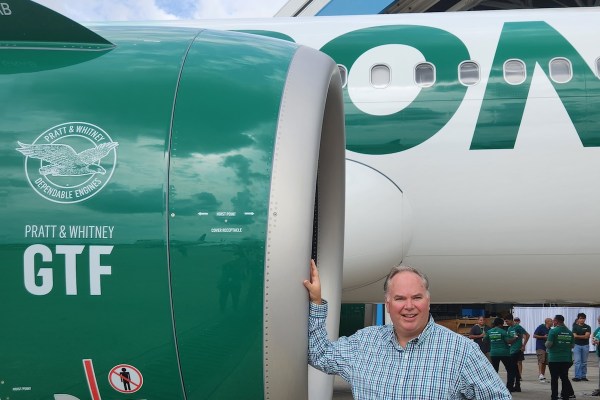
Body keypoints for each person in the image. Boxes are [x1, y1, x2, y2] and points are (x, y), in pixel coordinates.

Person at [304, 260, 511, 399]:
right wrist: (316, 301)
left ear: (428, 302)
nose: (409, 306)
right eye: (400, 298)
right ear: (388, 304)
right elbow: (319, 353)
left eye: (417, 297)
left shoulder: (462, 352)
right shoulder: (364, 343)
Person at [485, 317, 518, 392]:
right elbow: (508, 341)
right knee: (510, 370)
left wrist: (492, 343)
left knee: (494, 371)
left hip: (493, 353)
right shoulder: (503, 331)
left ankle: (494, 387)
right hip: (504, 353)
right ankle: (509, 387)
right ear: (500, 324)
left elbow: (485, 339)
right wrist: (515, 338)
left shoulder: (489, 331)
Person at [546, 314, 575, 400]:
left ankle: (554, 396)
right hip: (566, 358)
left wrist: (546, 343)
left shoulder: (553, 331)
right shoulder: (569, 332)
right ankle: (565, 396)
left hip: (554, 358)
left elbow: (549, 344)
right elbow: (572, 345)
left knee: (554, 379)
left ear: (556, 321)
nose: (553, 322)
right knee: (564, 378)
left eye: (554, 321)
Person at [508, 316, 530, 381]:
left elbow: (526, 335)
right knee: (513, 363)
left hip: (518, 348)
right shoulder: (509, 328)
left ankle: (519, 375)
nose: (516, 322)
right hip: (512, 348)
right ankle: (516, 376)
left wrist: (524, 345)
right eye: (516, 320)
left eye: (518, 320)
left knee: (519, 362)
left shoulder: (518, 327)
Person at [572, 312, 591, 382]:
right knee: (577, 361)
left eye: (583, 318)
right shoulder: (575, 327)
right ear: (578, 319)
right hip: (577, 346)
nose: (582, 320)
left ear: (585, 319)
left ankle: (583, 376)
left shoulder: (588, 327)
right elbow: (574, 336)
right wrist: (583, 336)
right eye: (580, 318)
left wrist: (578, 336)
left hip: (585, 346)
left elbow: (587, 336)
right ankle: (577, 376)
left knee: (584, 362)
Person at [534, 318, 553, 382]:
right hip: (540, 346)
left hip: (547, 347)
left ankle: (542, 375)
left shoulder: (550, 330)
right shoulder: (541, 327)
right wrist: (543, 337)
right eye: (551, 321)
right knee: (541, 360)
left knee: (545, 362)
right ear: (547, 322)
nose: (552, 322)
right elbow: (534, 335)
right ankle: (540, 374)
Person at [591, 315, 600, 396]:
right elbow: (594, 336)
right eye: (599, 321)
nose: (599, 322)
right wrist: (593, 341)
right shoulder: (598, 329)